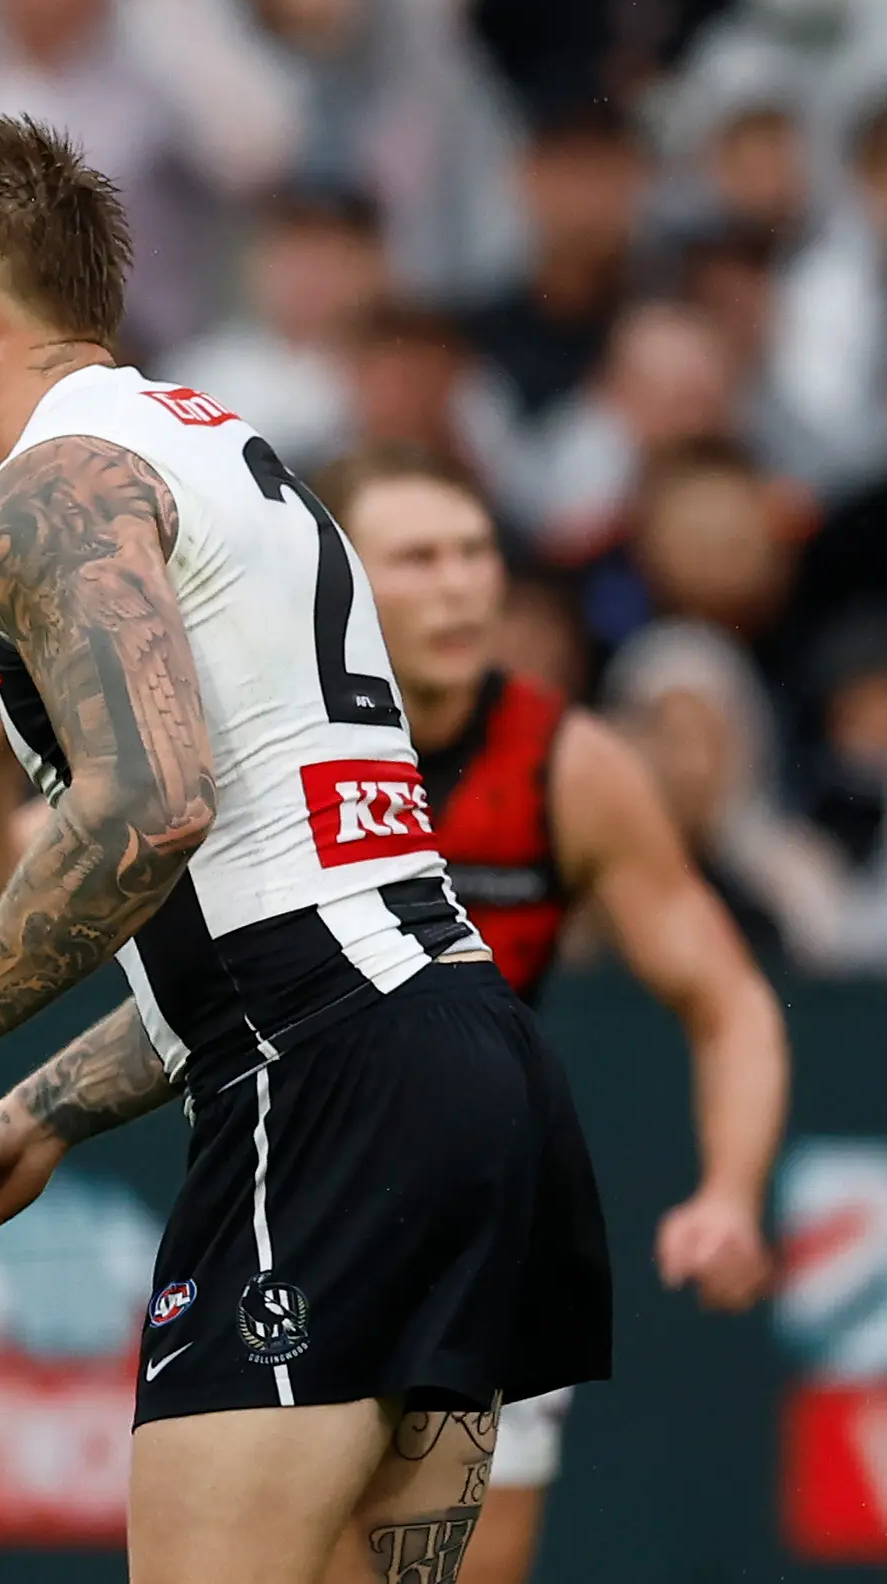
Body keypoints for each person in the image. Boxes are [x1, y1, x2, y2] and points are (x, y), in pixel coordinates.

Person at [0, 116, 612, 1583]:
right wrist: (34, 1116)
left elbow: (151, 807)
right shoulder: (214, 444)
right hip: (454, 1061)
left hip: (333, 1089)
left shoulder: (49, 490)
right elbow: (267, 892)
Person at [312, 447, 788, 1583]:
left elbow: (729, 1001)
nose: (462, 585)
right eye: (418, 558)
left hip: (488, 1230)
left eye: (475, 555)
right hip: (294, 1213)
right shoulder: (268, 747)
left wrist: (727, 1193)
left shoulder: (566, 766)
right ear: (336, 578)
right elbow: (0, 892)